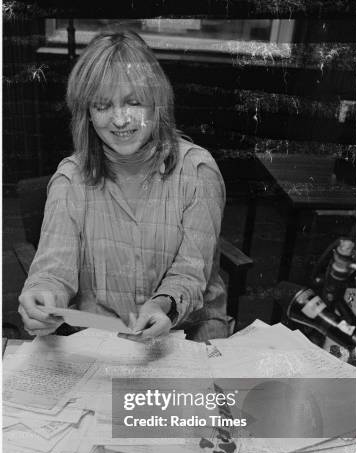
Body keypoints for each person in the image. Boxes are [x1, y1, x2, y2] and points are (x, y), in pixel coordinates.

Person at [18, 30, 229, 342]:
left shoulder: (197, 171)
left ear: (156, 103)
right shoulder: (70, 179)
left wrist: (162, 305)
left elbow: (189, 274)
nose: (119, 120)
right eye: (102, 106)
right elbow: (53, 272)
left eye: (133, 102)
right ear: (87, 114)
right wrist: (42, 296)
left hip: (185, 331)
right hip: (101, 336)